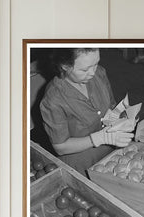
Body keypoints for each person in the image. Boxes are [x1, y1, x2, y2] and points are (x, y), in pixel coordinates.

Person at [40, 48, 134, 176]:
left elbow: (111, 107)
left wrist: (121, 119)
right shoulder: (53, 100)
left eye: (95, 64)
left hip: (111, 151)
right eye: (84, 70)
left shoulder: (99, 73)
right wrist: (99, 138)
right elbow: (60, 147)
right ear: (65, 66)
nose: (92, 73)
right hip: (81, 162)